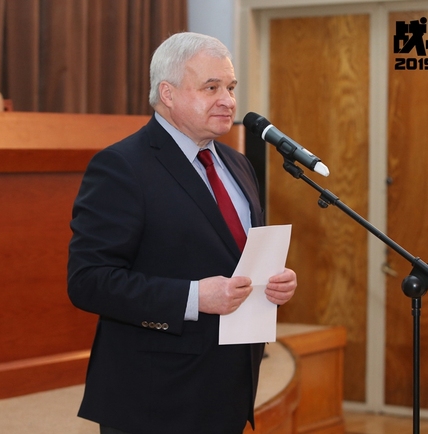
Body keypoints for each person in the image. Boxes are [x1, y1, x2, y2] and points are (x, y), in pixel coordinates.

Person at [67, 32, 297, 434]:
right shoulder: (122, 166)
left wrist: (273, 282)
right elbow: (88, 281)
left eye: (230, 87)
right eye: (211, 88)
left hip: (229, 386)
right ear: (168, 94)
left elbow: (232, 255)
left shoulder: (238, 164)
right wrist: (194, 297)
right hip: (155, 396)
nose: (227, 99)